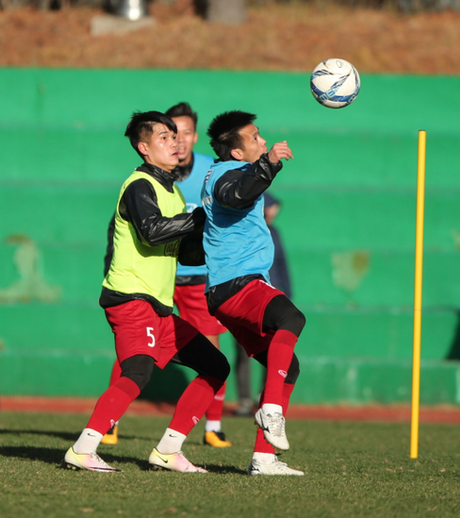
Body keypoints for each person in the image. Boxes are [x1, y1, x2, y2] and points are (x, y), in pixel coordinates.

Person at [64, 111, 230, 473]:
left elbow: (181, 249)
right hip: (131, 298)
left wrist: (209, 238)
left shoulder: (170, 189)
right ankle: (84, 447)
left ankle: (169, 450)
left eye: (176, 136)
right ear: (144, 148)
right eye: (165, 137)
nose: (175, 142)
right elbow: (153, 231)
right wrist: (201, 217)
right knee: (138, 371)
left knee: (215, 366)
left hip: (158, 306)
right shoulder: (140, 185)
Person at [202, 110, 305, 476]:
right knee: (291, 317)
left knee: (288, 368)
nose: (262, 141)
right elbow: (236, 196)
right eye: (255, 137)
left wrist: (263, 167)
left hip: (229, 290)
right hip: (237, 285)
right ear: (236, 152)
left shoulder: (237, 172)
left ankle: (263, 459)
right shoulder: (226, 176)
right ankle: (270, 409)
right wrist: (270, 163)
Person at [233, 192, 292, 417]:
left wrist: (286, 298)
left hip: (273, 302)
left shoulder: (274, 233)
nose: (273, 212)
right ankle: (244, 400)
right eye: (270, 207)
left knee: (274, 352)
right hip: (248, 300)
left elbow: (282, 266)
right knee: (244, 351)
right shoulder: (246, 230)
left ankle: (265, 399)